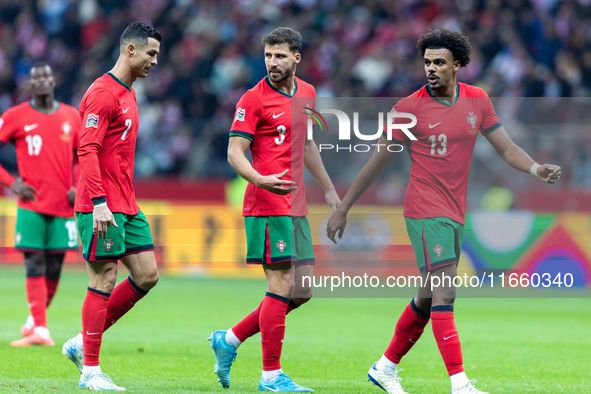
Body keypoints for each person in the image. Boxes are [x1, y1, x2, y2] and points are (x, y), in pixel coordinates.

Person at [326, 28, 561, 394]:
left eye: (439, 62)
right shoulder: (408, 108)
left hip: (453, 212)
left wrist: (535, 168)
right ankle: (459, 383)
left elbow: (506, 147)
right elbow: (377, 161)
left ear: (458, 65)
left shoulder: (477, 100)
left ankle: (385, 368)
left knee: (426, 296)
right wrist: (343, 208)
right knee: (445, 292)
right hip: (423, 210)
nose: (431, 68)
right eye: (427, 62)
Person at [209, 27, 340, 392]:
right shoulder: (253, 99)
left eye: (280, 56)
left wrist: (329, 190)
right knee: (280, 284)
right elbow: (234, 153)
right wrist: (260, 179)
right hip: (266, 204)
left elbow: (308, 145)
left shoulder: (309, 93)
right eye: (268, 55)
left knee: (302, 291)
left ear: (296, 58)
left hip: (296, 205)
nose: (272, 63)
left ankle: (230, 339)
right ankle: (271, 376)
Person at [60, 21, 161, 391]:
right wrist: (99, 202)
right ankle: (90, 371)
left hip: (127, 204)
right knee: (103, 276)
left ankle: (79, 342)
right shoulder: (102, 93)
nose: (154, 61)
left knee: (147, 274)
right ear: (130, 50)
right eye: (150, 53)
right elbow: (87, 147)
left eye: (157, 55)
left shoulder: (129, 92)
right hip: (100, 203)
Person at [0, 63, 80, 347]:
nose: (42, 80)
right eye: (36, 77)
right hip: (30, 203)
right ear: (29, 84)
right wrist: (12, 183)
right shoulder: (14, 116)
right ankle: (42, 330)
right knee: (34, 260)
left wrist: (78, 186)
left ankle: (35, 320)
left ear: (54, 79)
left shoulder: (72, 116)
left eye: (46, 75)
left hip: (63, 205)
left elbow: (86, 155)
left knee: (56, 267)